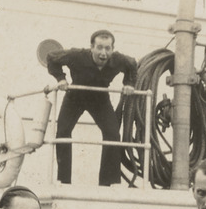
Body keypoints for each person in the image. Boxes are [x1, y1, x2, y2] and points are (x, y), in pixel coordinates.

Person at [45, 29, 138, 186]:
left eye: (108, 48)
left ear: (113, 49)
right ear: (91, 47)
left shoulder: (119, 60)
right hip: (75, 96)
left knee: (113, 134)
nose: (103, 53)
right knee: (63, 131)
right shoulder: (76, 55)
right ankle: (64, 180)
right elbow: (51, 57)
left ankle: (108, 183)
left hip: (99, 99)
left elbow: (132, 65)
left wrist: (129, 84)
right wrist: (61, 79)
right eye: (99, 47)